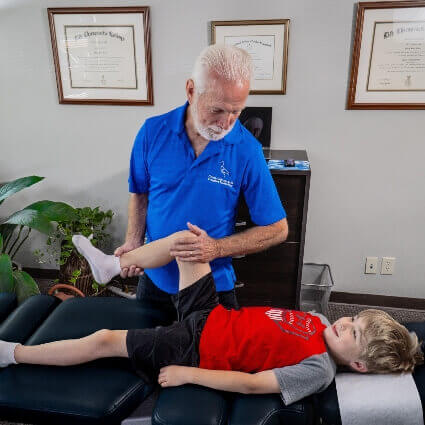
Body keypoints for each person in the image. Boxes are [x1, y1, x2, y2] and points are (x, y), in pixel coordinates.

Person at [1, 234, 422, 405]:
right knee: (192, 243)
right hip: (213, 315)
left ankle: (14, 354)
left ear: (359, 364)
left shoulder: (319, 370)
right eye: (353, 321)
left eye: (355, 335)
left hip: (195, 348)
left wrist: (188, 374)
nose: (345, 324)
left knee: (105, 338)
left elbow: (252, 383)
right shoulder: (317, 319)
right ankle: (113, 267)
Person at [115, 44, 288, 311]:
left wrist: (216, 248)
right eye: (218, 110)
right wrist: (134, 242)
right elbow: (139, 193)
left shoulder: (246, 149)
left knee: (210, 354)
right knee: (144, 351)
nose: (226, 123)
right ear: (191, 90)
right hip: (156, 280)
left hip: (212, 285)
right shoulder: (152, 131)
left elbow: (277, 229)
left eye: (236, 111)